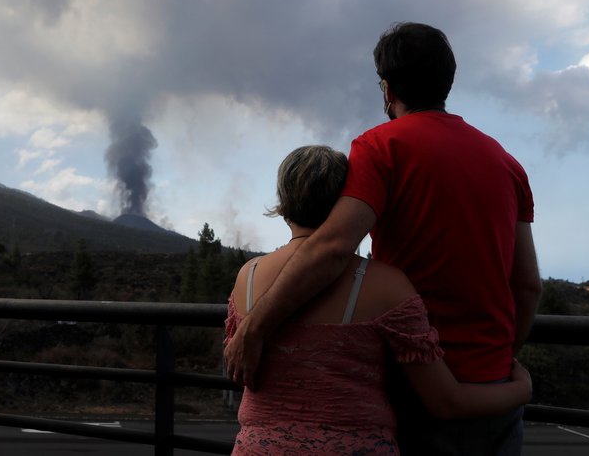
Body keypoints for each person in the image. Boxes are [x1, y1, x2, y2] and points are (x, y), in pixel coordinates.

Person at [224, 22, 542, 455]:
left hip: (415, 386)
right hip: (494, 390)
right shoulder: (507, 164)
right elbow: (526, 285)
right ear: (446, 83)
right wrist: (504, 361)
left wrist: (253, 330)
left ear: (387, 90)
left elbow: (333, 246)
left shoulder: (380, 147)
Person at [226, 145, 532, 455]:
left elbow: (242, 370)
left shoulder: (246, 278)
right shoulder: (387, 286)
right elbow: (446, 402)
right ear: (348, 201)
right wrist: (521, 390)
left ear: (284, 201)